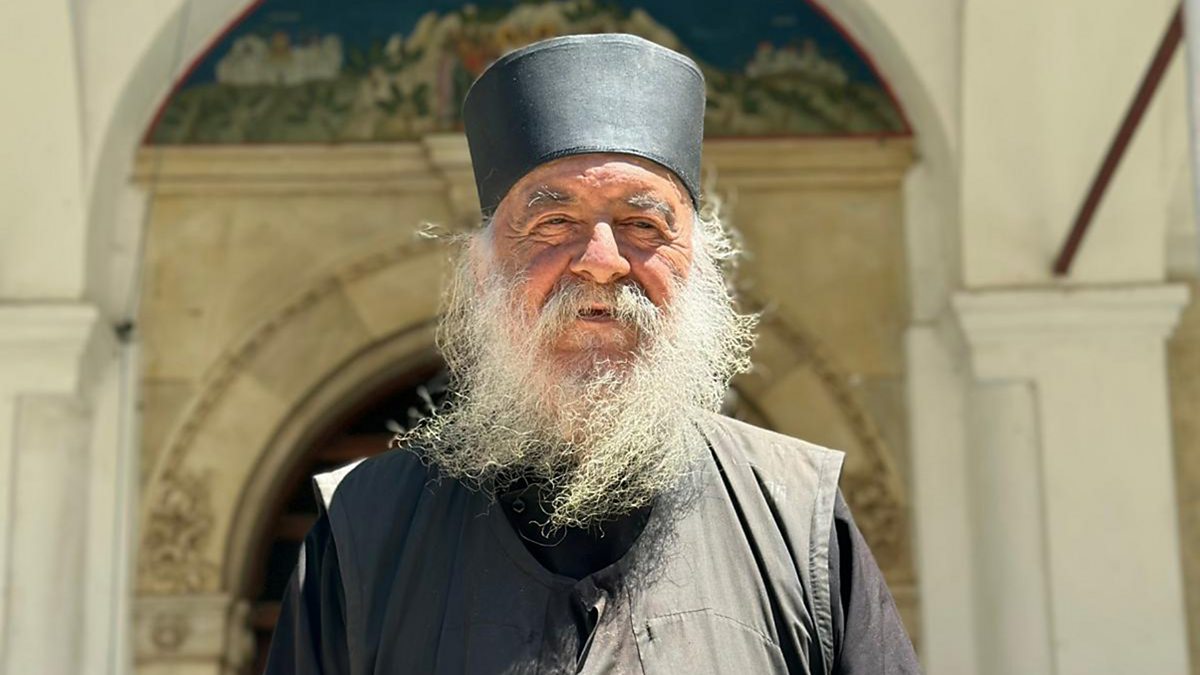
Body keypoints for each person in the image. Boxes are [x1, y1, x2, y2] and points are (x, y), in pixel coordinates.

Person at [265, 33, 919, 674]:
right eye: (554, 223)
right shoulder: (361, 530)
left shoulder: (798, 520)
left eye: (643, 225)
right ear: (482, 273)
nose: (602, 262)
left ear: (700, 267)